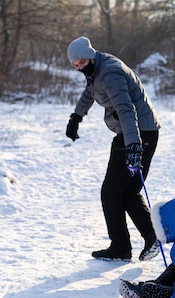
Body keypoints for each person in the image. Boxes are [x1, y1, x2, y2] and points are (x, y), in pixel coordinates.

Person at [65, 36, 161, 262]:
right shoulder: (97, 69)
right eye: (75, 65)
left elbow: (127, 110)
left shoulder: (109, 73)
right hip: (144, 132)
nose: (79, 68)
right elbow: (90, 92)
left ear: (89, 56)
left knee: (111, 191)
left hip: (135, 133)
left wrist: (134, 146)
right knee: (127, 191)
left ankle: (120, 247)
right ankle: (151, 237)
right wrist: (76, 117)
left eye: (81, 63)